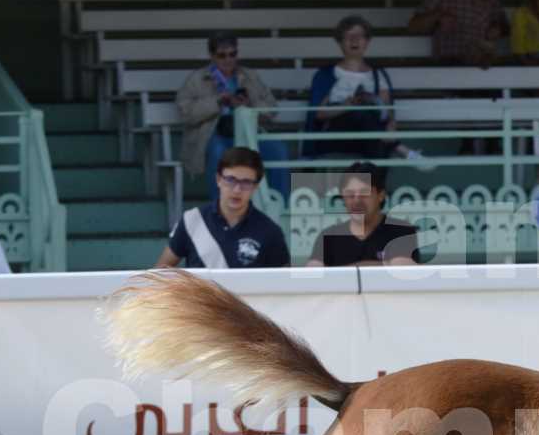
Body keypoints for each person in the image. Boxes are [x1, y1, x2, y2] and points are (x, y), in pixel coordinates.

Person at [176, 32, 291, 200]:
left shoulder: (249, 76)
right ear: (212, 56)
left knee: (278, 150)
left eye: (232, 54)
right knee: (218, 153)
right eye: (222, 55)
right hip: (212, 133)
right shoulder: (198, 79)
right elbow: (185, 112)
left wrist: (249, 104)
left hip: (248, 132)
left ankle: (281, 208)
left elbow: (272, 109)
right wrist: (218, 101)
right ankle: (220, 211)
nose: (228, 59)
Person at [153, 147, 290, 269]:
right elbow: (160, 271)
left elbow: (285, 286)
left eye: (246, 182)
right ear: (218, 179)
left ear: (255, 186)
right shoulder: (192, 220)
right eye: (230, 180)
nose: (237, 190)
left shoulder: (270, 231)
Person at [306, 16, 412, 161]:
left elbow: (387, 112)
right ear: (340, 42)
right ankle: (401, 149)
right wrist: (346, 106)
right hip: (337, 137)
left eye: (359, 36)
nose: (354, 40)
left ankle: (376, 182)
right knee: (360, 113)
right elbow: (318, 114)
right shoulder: (326, 75)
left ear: (367, 42)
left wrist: (391, 126)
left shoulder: (378, 74)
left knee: (377, 136)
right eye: (348, 36)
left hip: (369, 137)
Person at [306, 162, 419, 266]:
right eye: (350, 194)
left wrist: (338, 272)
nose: (356, 201)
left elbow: (402, 269)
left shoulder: (401, 231)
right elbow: (312, 275)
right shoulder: (328, 237)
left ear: (381, 195)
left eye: (364, 193)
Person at [410, 0, 507, 67]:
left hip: (481, 63)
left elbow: (505, 27)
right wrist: (437, 15)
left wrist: (497, 29)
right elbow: (413, 26)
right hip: (448, 63)